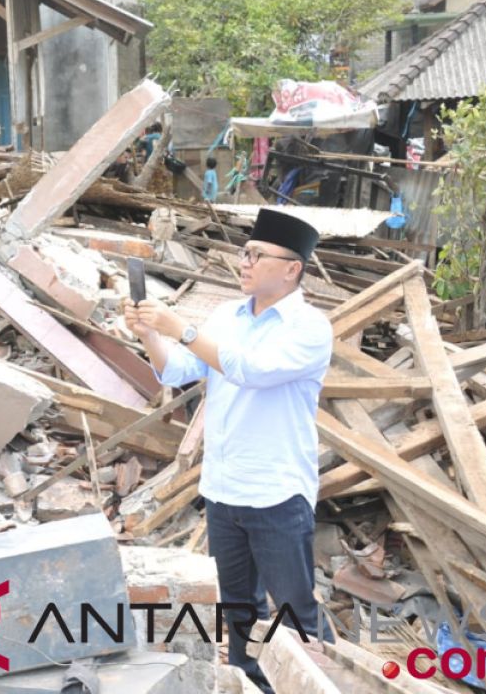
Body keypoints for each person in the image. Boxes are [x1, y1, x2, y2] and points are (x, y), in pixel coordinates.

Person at [123, 209, 333, 692]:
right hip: (224, 490)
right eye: (244, 252)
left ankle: (322, 681)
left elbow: (251, 369)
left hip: (278, 494)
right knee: (239, 610)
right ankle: (248, 681)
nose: (245, 262)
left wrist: (184, 330)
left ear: (291, 269)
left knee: (296, 611)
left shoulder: (308, 327)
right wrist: (151, 333)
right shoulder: (226, 316)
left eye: (258, 255)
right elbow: (176, 370)